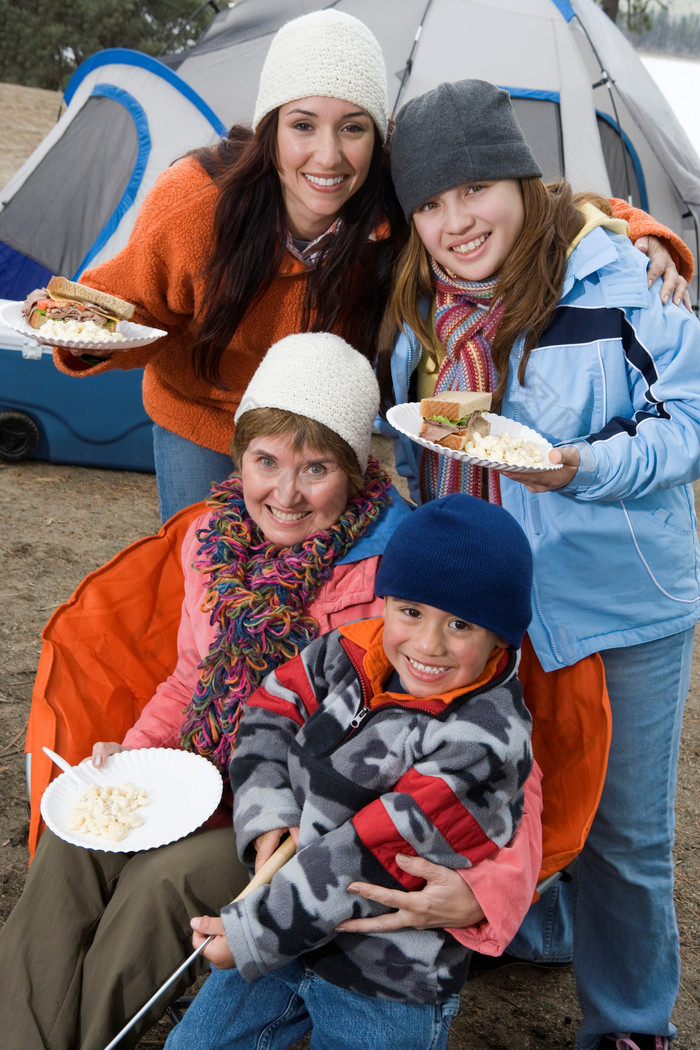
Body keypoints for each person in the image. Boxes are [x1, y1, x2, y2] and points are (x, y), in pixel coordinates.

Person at [48, 12, 689, 523]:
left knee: (310, 597)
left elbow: (533, 200)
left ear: (376, 139)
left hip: (327, 423)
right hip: (206, 415)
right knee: (205, 582)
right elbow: (128, 308)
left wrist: (643, 231)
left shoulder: (397, 203)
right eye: (303, 125)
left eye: (352, 128)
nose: (328, 156)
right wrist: (78, 337)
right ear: (270, 128)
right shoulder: (196, 204)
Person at [376, 79, 700, 1050]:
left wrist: (583, 468)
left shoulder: (620, 280)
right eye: (429, 203)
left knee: (625, 838)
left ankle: (631, 1023)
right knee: (515, 792)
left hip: (617, 603)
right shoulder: (420, 313)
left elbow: (686, 423)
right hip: (490, 610)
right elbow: (421, 451)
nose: (454, 220)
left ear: (519, 178)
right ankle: (545, 928)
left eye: (473, 187)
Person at [0, 332, 416, 1050]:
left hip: (292, 820)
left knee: (161, 885)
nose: (284, 494)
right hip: (197, 770)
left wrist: (278, 810)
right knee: (80, 837)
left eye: (315, 467)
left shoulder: (386, 569)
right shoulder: (214, 541)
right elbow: (194, 674)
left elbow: (385, 738)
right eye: (266, 461)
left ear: (353, 469)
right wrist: (130, 762)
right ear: (240, 458)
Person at [163, 493, 538, 1050]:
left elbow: (370, 856)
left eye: (461, 624)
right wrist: (270, 816)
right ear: (384, 601)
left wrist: (249, 936)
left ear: (501, 636)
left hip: (384, 976)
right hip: (289, 926)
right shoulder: (346, 651)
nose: (428, 644)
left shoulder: (484, 740)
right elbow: (270, 710)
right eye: (410, 611)